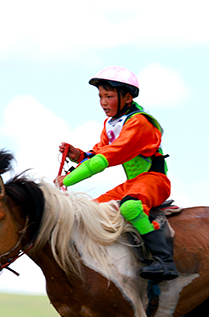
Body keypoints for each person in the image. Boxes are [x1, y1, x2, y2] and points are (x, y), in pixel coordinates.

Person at [54, 66, 177, 281]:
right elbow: (97, 153)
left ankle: (164, 262)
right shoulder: (112, 124)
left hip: (154, 180)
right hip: (133, 183)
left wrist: (69, 179)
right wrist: (77, 155)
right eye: (100, 96)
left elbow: (109, 156)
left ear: (127, 97)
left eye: (109, 96)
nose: (103, 102)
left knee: (130, 207)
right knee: (91, 211)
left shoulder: (140, 123)